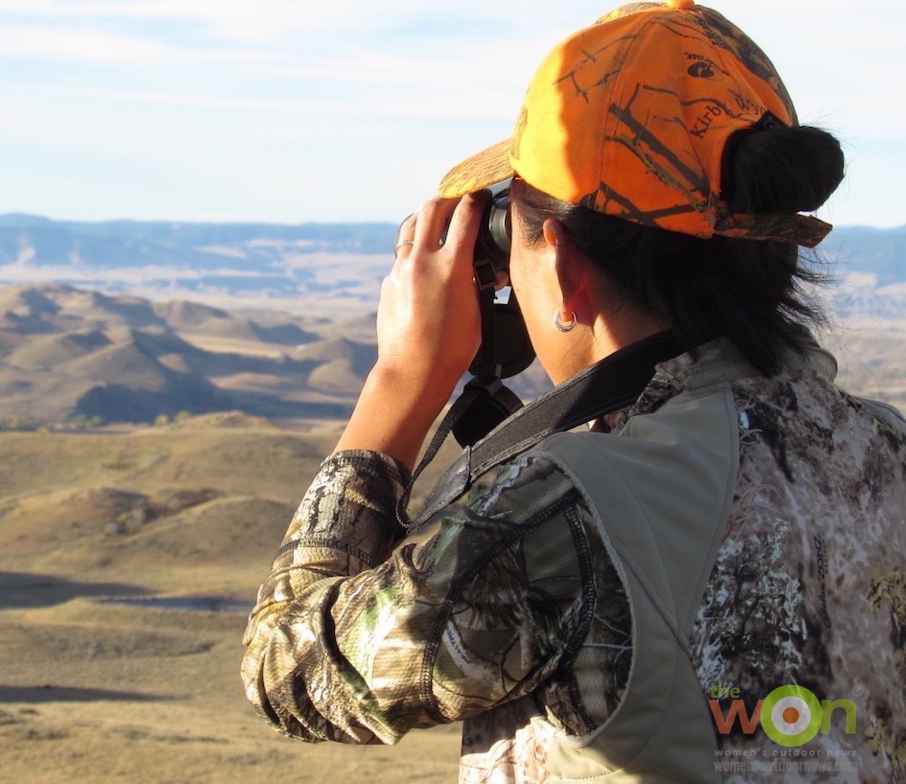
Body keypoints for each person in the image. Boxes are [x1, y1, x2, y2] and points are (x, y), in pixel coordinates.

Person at [242, 1, 906, 781]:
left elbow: (288, 670)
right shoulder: (884, 450)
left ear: (561, 265)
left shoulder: (559, 515)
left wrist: (400, 386)